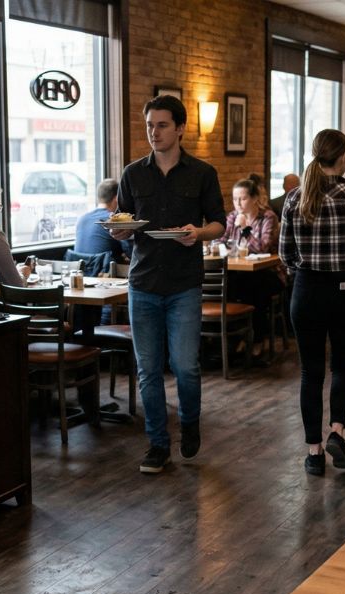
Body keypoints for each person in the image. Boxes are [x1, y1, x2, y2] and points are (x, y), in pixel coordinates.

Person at [112, 94, 226, 474]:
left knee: (186, 366)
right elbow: (123, 222)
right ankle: (158, 444)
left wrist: (198, 232)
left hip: (184, 284)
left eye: (161, 125)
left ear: (180, 128)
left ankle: (190, 423)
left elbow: (219, 224)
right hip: (142, 282)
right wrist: (120, 231)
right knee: (148, 369)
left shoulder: (202, 173)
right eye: (149, 125)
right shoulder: (132, 174)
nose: (153, 132)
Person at [279, 128, 345, 476]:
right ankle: (337, 430)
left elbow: (285, 255)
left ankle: (314, 452)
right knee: (343, 367)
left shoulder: (294, 198)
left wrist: (308, 271)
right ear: (343, 157)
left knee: (310, 372)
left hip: (306, 291)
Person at [224, 178, 281, 361]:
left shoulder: (268, 217)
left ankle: (256, 339)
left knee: (253, 285)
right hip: (238, 272)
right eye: (235, 199)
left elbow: (263, 247)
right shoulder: (232, 216)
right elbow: (219, 240)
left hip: (269, 273)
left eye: (243, 199)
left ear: (255, 198)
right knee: (230, 284)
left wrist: (245, 229)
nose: (238, 204)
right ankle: (236, 337)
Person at [74, 178, 132, 261]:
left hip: (81, 271)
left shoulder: (82, 219)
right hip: (104, 272)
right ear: (117, 198)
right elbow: (130, 252)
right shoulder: (113, 221)